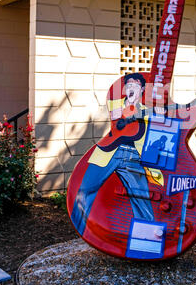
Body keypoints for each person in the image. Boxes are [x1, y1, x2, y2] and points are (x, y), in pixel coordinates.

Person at [70, 73, 163, 237]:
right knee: (83, 191)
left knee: (142, 201)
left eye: (135, 85)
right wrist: (150, 112)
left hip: (135, 158)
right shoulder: (116, 103)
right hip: (109, 153)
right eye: (128, 85)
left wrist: (158, 112)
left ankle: (148, 242)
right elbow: (121, 116)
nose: (131, 88)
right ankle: (84, 234)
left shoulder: (149, 111)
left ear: (142, 89)